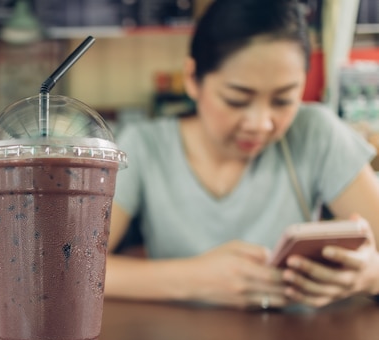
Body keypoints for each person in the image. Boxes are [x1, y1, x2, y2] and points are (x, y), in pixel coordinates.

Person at [105, 0, 379, 310]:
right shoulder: (144, 146)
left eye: (283, 100)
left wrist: (368, 275)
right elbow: (68, 269)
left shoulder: (315, 133)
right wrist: (194, 279)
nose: (261, 124)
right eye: (237, 100)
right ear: (193, 79)